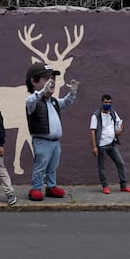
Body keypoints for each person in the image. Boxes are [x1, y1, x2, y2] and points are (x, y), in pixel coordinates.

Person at [25, 63, 79, 201]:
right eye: (46, 79)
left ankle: (51, 186)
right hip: (42, 141)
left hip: (55, 142)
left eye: (53, 78)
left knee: (53, 166)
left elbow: (65, 103)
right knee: (40, 166)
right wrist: (41, 92)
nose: (52, 82)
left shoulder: (53, 101)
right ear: (33, 82)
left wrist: (72, 93)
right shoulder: (34, 101)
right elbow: (31, 100)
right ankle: (36, 188)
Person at [90, 94, 130, 194]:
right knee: (102, 166)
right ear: (102, 103)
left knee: (120, 163)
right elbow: (92, 131)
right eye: (106, 102)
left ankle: (123, 185)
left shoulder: (113, 113)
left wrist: (120, 130)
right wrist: (94, 147)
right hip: (101, 145)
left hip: (112, 143)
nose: (108, 104)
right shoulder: (96, 115)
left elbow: (120, 123)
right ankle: (105, 186)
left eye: (109, 103)